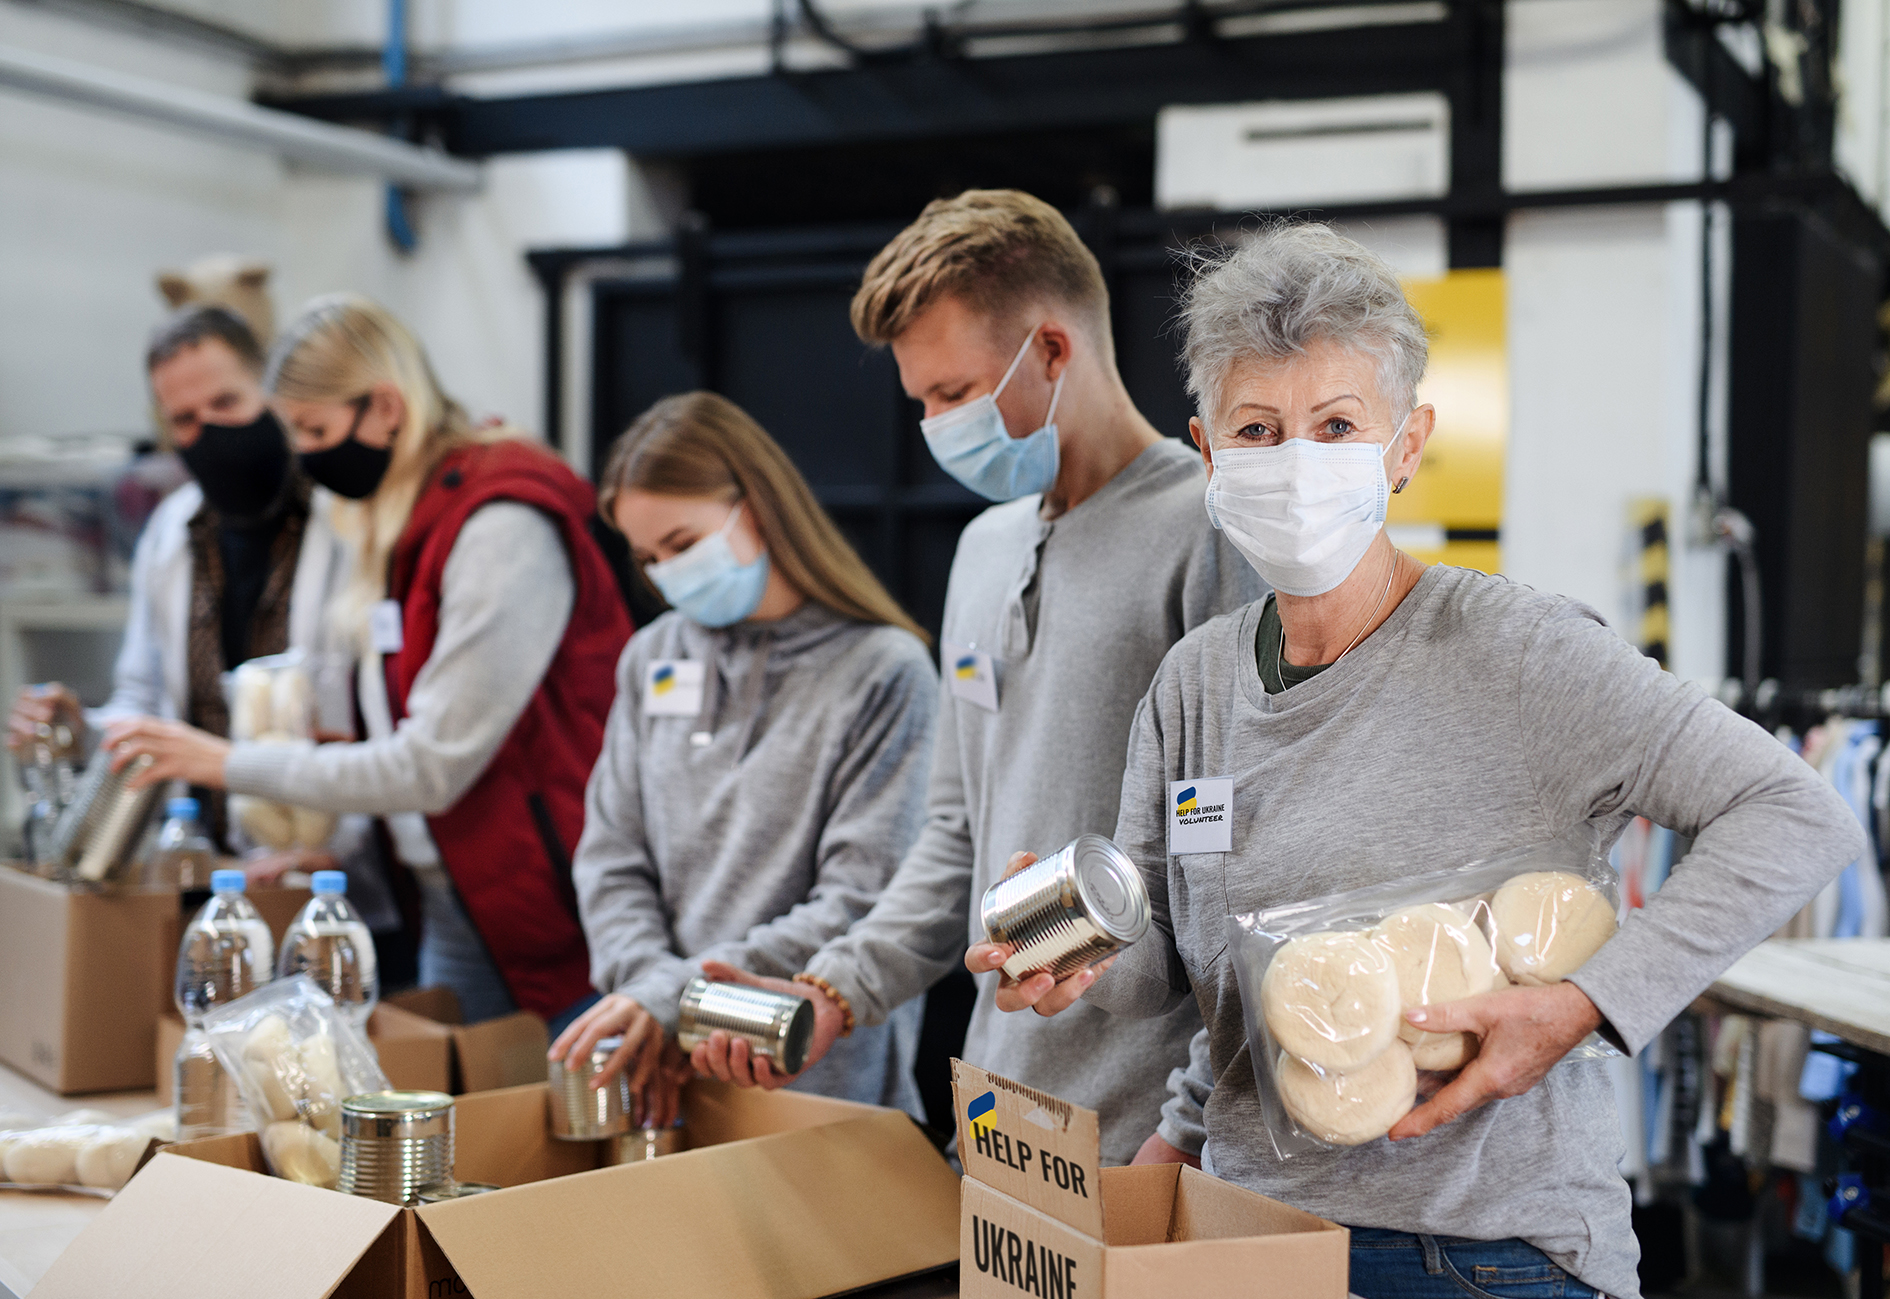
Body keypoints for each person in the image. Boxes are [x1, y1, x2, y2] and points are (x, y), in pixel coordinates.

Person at [977, 223, 1864, 1297]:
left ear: (1407, 445)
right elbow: (1173, 976)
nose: (1295, 462)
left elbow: (1795, 815)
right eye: (1258, 430)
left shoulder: (1524, 653)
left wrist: (1585, 1003)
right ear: (1209, 453)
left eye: (1337, 424)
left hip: (1483, 1255)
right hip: (1257, 1234)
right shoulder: (1195, 683)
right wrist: (1081, 956)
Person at [689, 189, 1263, 1166]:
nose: (935, 426)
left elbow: (1242, 861)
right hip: (1000, 1104)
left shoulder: (1208, 532)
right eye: (920, 402)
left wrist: (1192, 1125)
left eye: (953, 395)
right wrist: (837, 989)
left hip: (1151, 1128)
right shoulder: (984, 551)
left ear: (1050, 349)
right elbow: (956, 831)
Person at [105, 294, 630, 1035]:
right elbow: (391, 733)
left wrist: (229, 762)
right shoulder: (408, 521)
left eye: (315, 432)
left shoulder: (497, 525)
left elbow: (432, 763)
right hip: (454, 890)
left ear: (386, 408)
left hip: (551, 899)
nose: (310, 461)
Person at [549, 391, 938, 1125]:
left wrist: (671, 998)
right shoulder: (653, 656)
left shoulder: (884, 670)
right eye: (649, 557)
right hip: (661, 1064)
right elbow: (611, 858)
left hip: (813, 1083)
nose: (668, 572)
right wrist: (651, 1001)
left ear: (756, 506)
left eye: (683, 542)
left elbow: (862, 898)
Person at [5, 306, 385, 887]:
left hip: (338, 874)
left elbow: (384, 722)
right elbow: (145, 699)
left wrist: (346, 852)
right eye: (184, 419)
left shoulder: (348, 522)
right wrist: (80, 728)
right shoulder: (170, 533)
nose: (208, 432)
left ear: (273, 392)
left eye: (226, 404)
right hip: (211, 868)